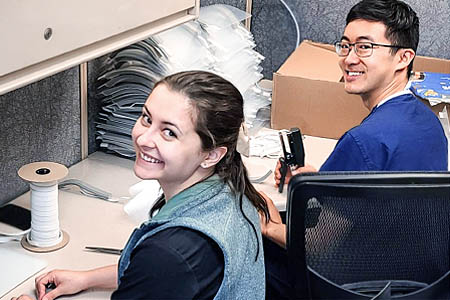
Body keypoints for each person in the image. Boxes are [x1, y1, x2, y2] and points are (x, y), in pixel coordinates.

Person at [12, 71, 270, 300]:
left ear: (211, 154)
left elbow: (165, 269)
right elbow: (163, 279)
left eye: (169, 132)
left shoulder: (172, 252)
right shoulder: (231, 191)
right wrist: (87, 278)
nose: (143, 138)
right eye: (147, 118)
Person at [262, 0, 448, 298]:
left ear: (403, 57)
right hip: (416, 281)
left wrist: (270, 225)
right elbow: (381, 191)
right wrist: (318, 181)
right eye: (345, 46)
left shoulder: (362, 142)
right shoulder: (429, 122)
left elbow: (317, 245)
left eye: (364, 47)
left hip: (358, 284)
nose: (348, 59)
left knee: (250, 251)